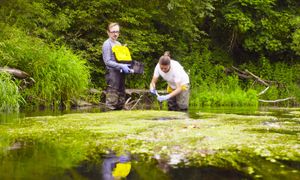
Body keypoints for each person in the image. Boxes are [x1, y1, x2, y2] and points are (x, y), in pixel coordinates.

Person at [102, 22, 131, 110]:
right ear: (108, 32)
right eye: (113, 31)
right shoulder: (107, 44)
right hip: (112, 74)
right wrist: (121, 66)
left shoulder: (118, 43)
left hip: (120, 73)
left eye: (117, 32)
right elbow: (107, 62)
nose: (115, 34)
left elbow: (121, 58)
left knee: (121, 98)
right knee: (112, 100)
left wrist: (126, 64)